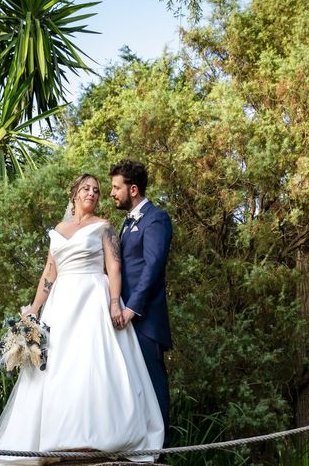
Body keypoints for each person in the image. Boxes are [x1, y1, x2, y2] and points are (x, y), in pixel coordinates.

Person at [0, 174, 164, 465]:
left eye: (97, 191)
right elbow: (50, 272)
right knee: (60, 366)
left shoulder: (104, 227)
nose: (93, 193)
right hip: (61, 304)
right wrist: (34, 310)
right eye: (86, 188)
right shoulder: (58, 230)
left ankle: (97, 439)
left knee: (91, 365)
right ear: (73, 194)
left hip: (93, 299)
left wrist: (114, 302)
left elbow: (114, 268)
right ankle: (57, 439)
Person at [110, 160, 173, 439]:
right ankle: (136, 444)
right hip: (122, 316)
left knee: (153, 381)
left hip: (145, 319)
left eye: (116, 187)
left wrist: (133, 308)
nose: (112, 193)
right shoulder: (126, 223)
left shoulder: (156, 218)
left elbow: (153, 265)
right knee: (130, 385)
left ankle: (158, 450)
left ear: (133, 189)